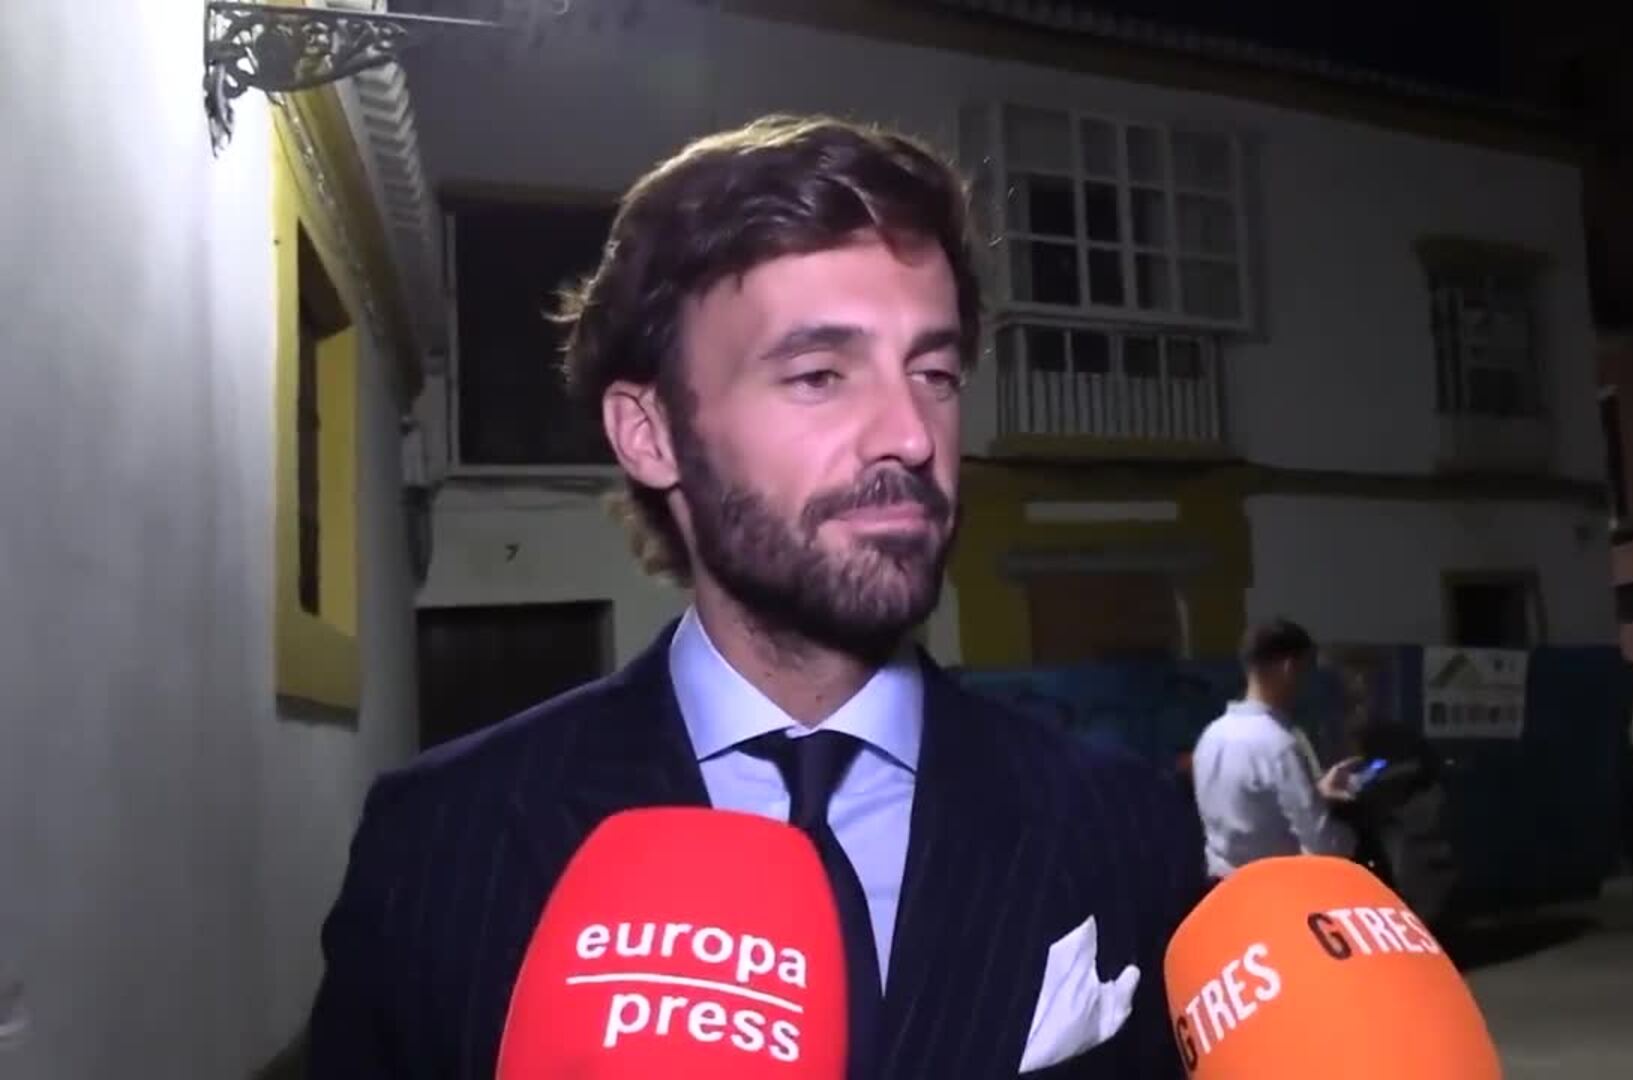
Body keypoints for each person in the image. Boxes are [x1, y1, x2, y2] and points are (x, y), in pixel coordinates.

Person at [305, 116, 1207, 1079]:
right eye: (819, 375)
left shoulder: (1122, 826)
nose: (910, 435)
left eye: (935, 373)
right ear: (651, 433)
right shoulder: (441, 844)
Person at [1190, 618, 1363, 880]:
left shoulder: (1211, 737)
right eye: (1306, 670)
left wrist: (1316, 793)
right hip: (1274, 889)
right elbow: (1322, 846)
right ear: (1289, 668)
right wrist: (1351, 837)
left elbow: (1250, 807)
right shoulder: (1279, 745)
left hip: (1224, 889)